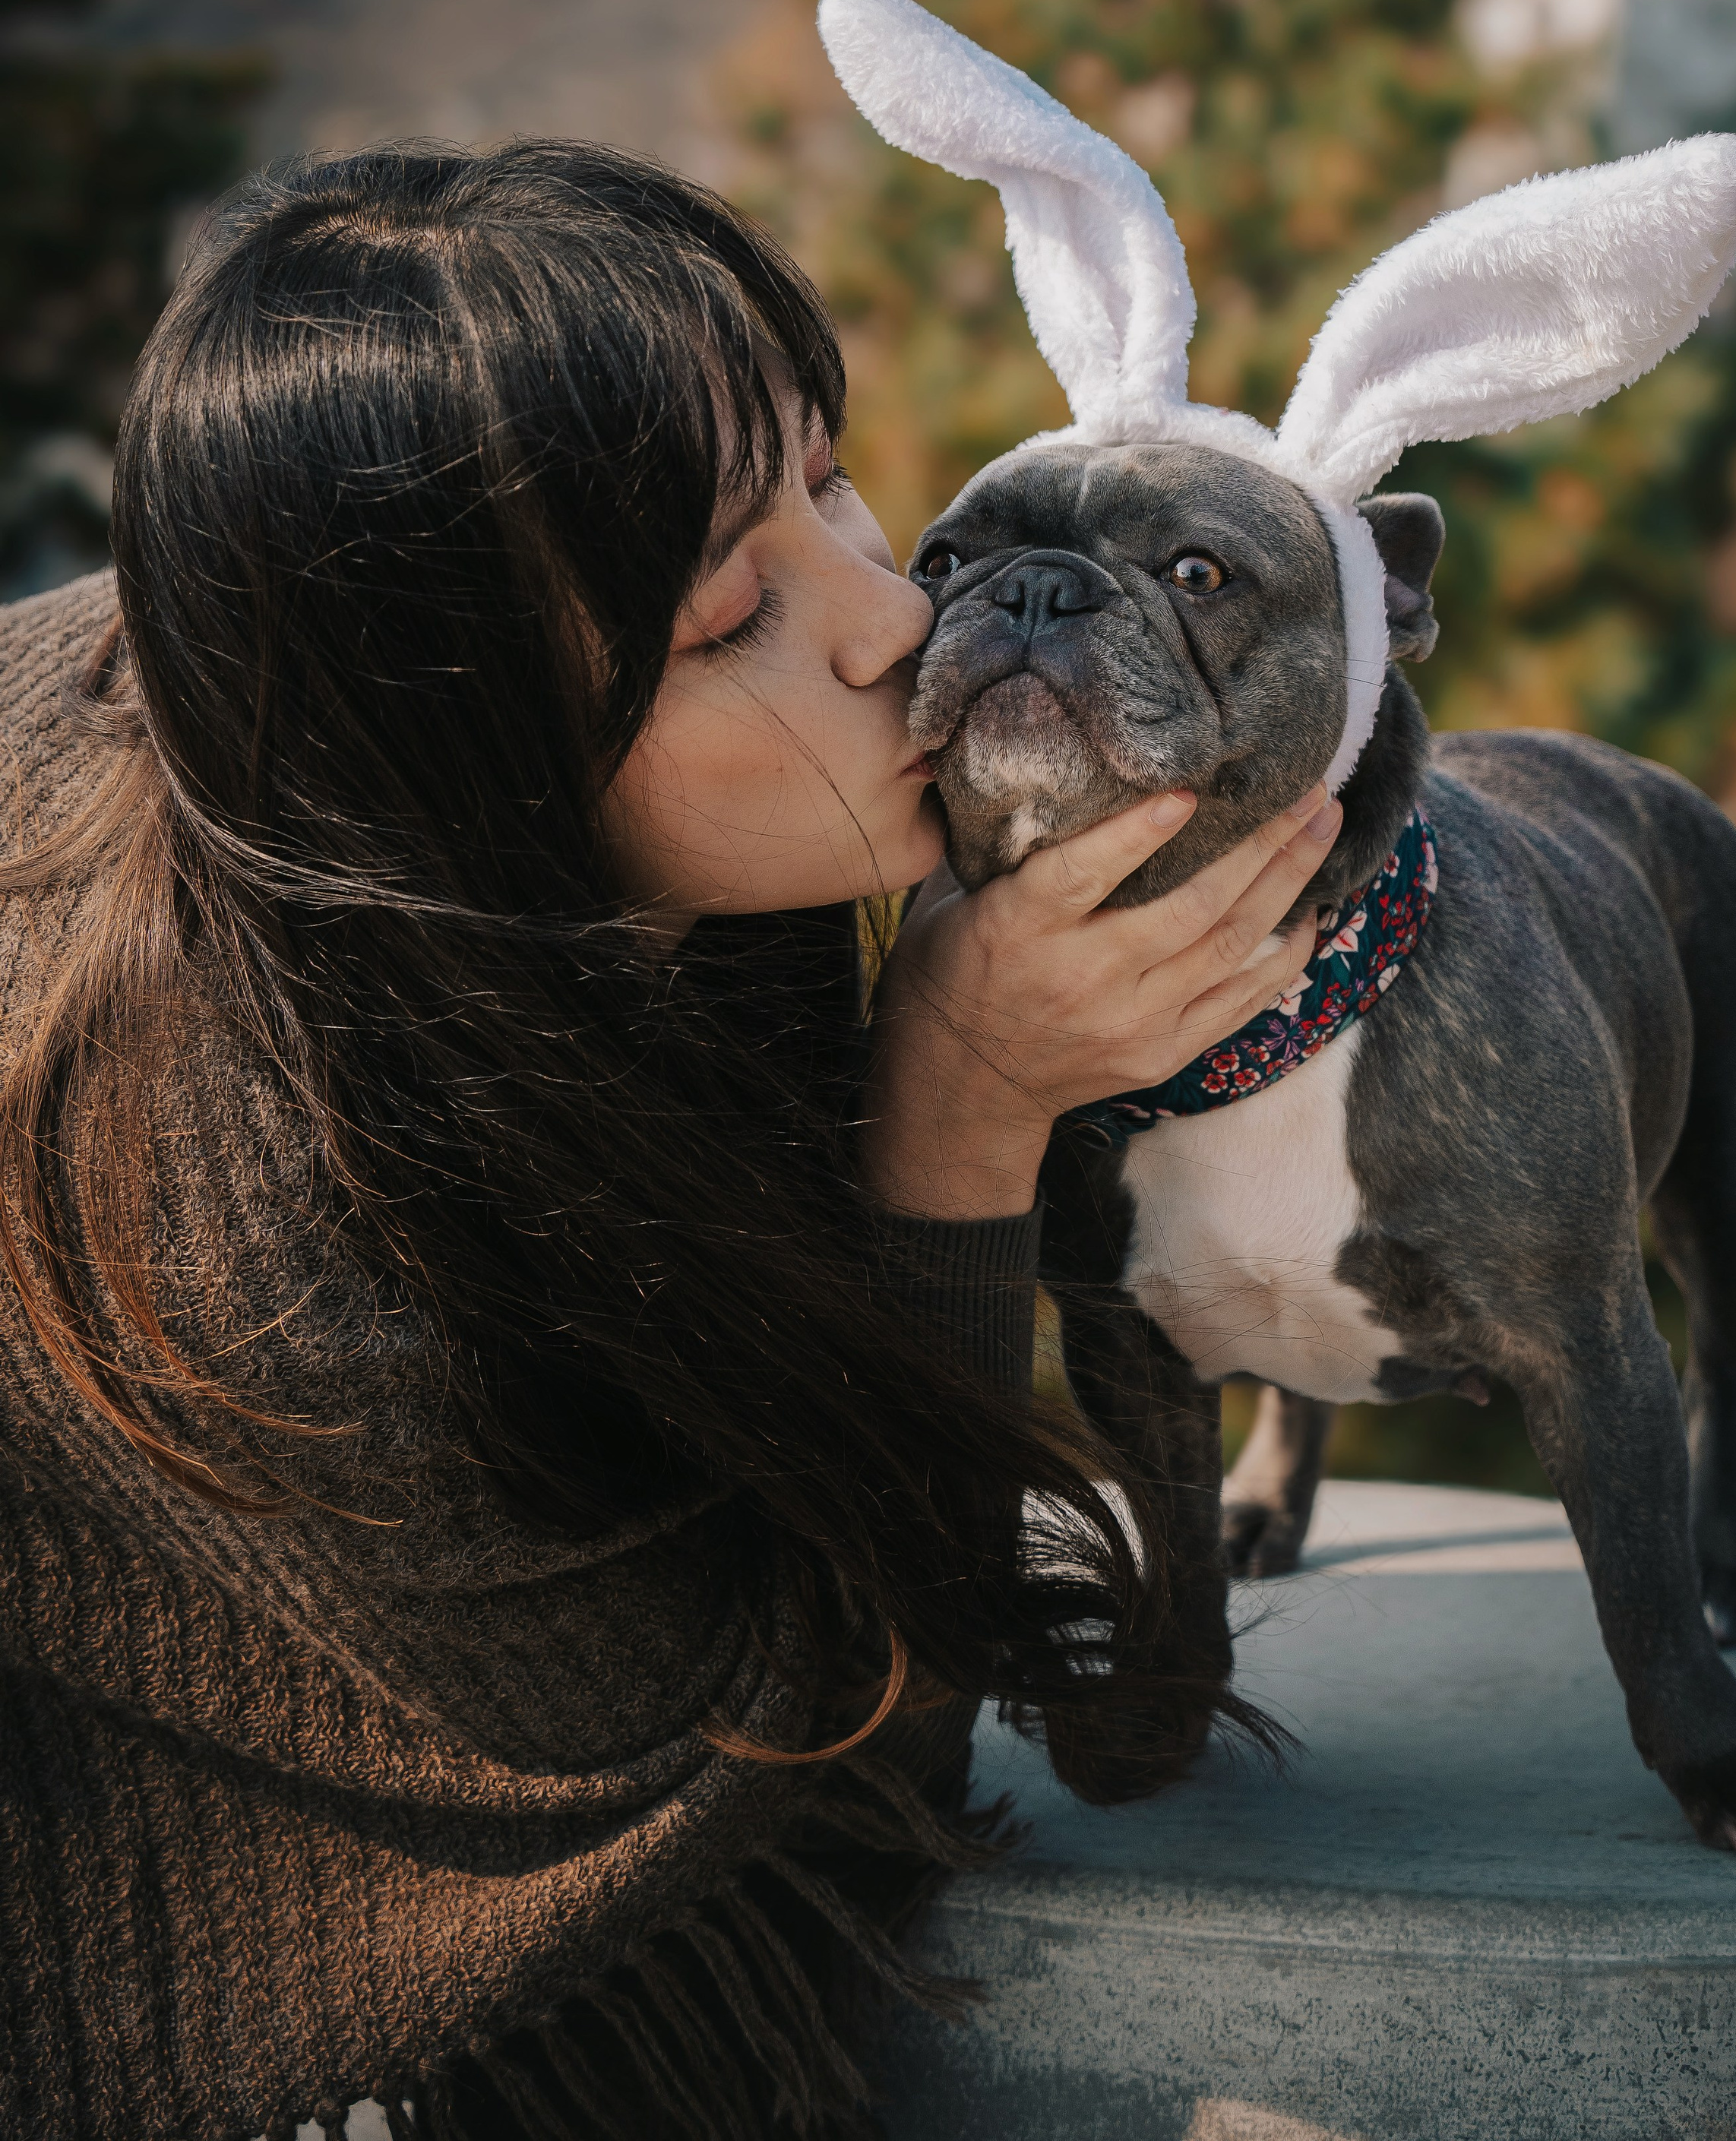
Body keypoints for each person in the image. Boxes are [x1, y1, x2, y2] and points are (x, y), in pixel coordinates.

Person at [0, 141, 1340, 2141]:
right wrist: (957, 1118)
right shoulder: (250, 1228)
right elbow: (807, 1742)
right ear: (467, 761)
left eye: (827, 474)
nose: (896, 615)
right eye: (734, 621)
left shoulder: (319, 636)